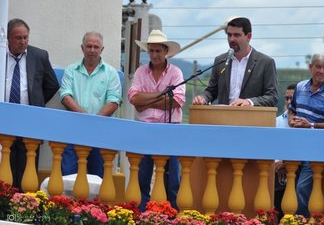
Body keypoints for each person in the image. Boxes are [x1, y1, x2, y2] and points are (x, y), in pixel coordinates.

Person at [127, 30, 185, 211]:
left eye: (158, 51)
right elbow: (134, 99)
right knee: (142, 174)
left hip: (170, 129)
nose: (154, 55)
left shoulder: (176, 72)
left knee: (172, 176)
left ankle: (171, 213)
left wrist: (147, 100)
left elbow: (177, 100)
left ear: (165, 51)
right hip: (145, 129)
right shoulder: (140, 72)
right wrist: (161, 97)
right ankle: (143, 213)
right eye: (151, 51)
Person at [288, 52, 324, 217]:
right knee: (288, 186)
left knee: (301, 188)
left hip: (317, 150)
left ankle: (303, 220)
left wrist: (311, 125)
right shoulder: (300, 87)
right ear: (310, 67)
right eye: (318, 67)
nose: (321, 71)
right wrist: (292, 121)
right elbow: (291, 111)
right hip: (295, 146)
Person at [5, 18, 60, 190]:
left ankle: (24, 206)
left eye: (25, 38)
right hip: (4, 119)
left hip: (30, 120)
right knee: (6, 161)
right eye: (18, 38)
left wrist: (36, 102)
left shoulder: (39, 56)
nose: (23, 42)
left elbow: (52, 85)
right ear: (8, 38)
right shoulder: (1, 55)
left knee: (28, 164)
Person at [59, 31, 122, 178]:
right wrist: (86, 120)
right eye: (89, 46)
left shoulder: (111, 73)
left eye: (96, 47)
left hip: (100, 133)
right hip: (73, 132)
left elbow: (113, 101)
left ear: (102, 49)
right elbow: (65, 96)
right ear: (82, 48)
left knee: (98, 178)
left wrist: (92, 123)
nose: (92, 50)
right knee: (68, 176)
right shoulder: (71, 70)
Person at [193, 17, 278, 107]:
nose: (232, 39)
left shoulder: (265, 62)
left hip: (251, 117)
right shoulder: (220, 61)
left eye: (236, 35)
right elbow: (211, 91)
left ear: (248, 36)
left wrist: (249, 102)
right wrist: (203, 98)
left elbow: (272, 97)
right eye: (229, 35)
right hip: (223, 117)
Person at [274, 83, 296, 220]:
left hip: (297, 172)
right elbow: (271, 145)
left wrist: (286, 163)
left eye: (292, 98)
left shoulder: (306, 121)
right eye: (286, 98)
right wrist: (278, 162)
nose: (288, 102)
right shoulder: (277, 121)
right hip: (278, 176)